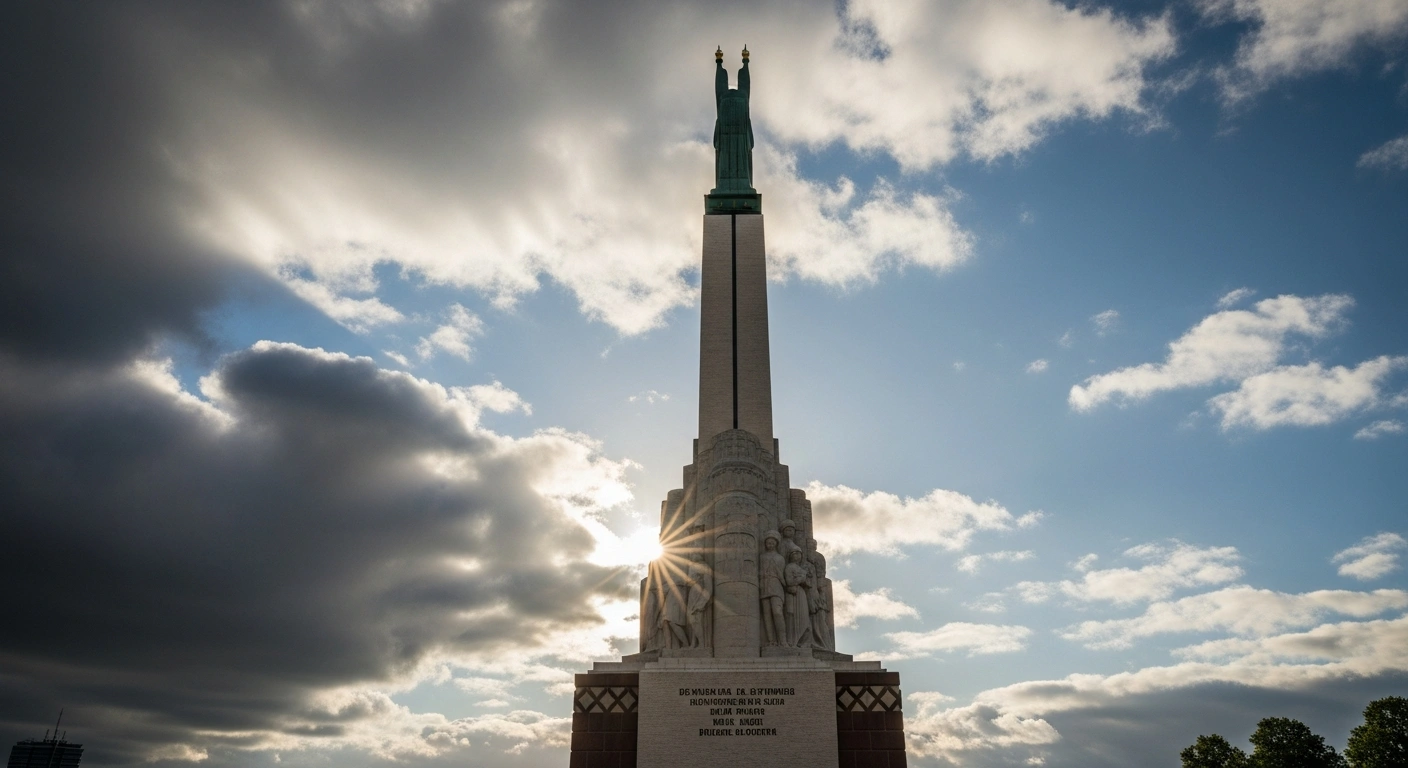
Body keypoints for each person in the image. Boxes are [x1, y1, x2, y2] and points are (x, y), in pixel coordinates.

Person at [759, 531, 787, 646]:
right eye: (768, 543)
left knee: (777, 612)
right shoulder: (762, 557)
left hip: (776, 585)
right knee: (767, 615)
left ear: (776, 544)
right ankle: (771, 641)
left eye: (772, 543)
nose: (770, 545)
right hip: (764, 585)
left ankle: (783, 641)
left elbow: (782, 574)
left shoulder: (780, 558)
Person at [783, 548, 813, 648]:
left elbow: (809, 584)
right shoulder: (789, 567)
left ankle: (800, 643)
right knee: (792, 617)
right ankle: (792, 642)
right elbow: (789, 582)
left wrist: (804, 578)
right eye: (794, 554)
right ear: (790, 556)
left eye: (799, 554)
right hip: (793, 594)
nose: (797, 556)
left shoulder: (801, 569)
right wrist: (802, 578)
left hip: (801, 593)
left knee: (805, 621)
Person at [686, 551, 712, 648]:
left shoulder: (705, 566)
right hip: (692, 593)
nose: (693, 555)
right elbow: (688, 581)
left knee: (696, 619)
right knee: (692, 619)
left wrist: (702, 602)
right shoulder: (692, 566)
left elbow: (709, 587)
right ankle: (694, 643)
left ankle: (702, 643)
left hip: (699, 593)